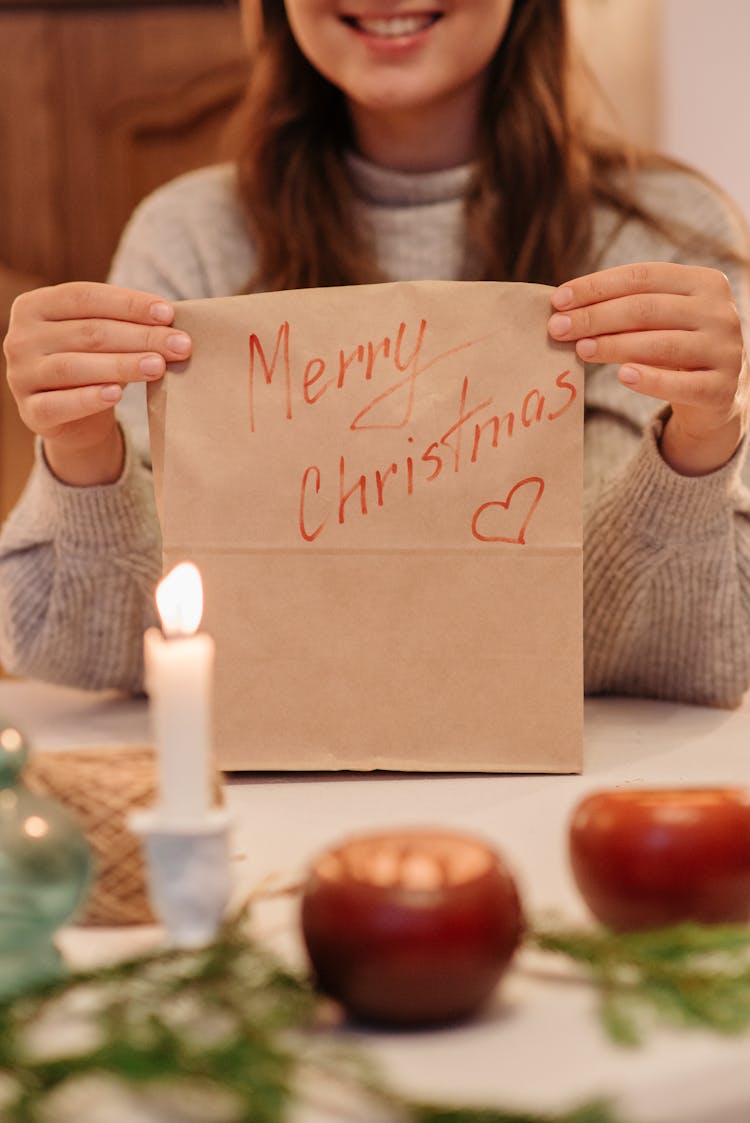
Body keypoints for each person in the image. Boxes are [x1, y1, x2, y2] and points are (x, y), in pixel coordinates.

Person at [1, 0, 749, 706]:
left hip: (577, 802)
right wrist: (81, 451)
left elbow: (721, 644)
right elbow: (73, 646)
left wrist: (700, 447)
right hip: (267, 819)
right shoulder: (190, 239)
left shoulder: (664, 242)